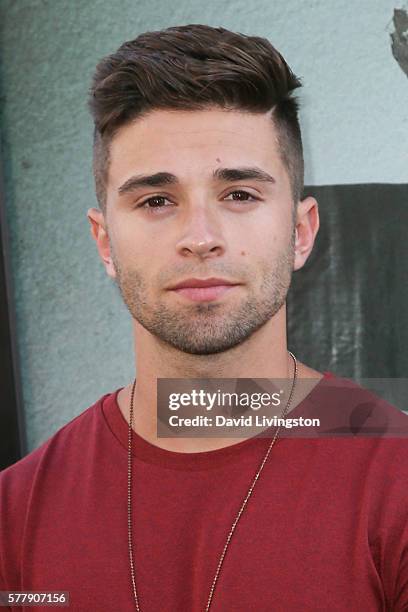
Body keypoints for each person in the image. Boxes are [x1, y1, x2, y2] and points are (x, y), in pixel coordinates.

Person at [1, 24, 407, 612]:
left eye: (239, 194)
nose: (200, 238)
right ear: (105, 242)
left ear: (300, 232)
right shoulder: (18, 512)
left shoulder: (397, 480)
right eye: (156, 200)